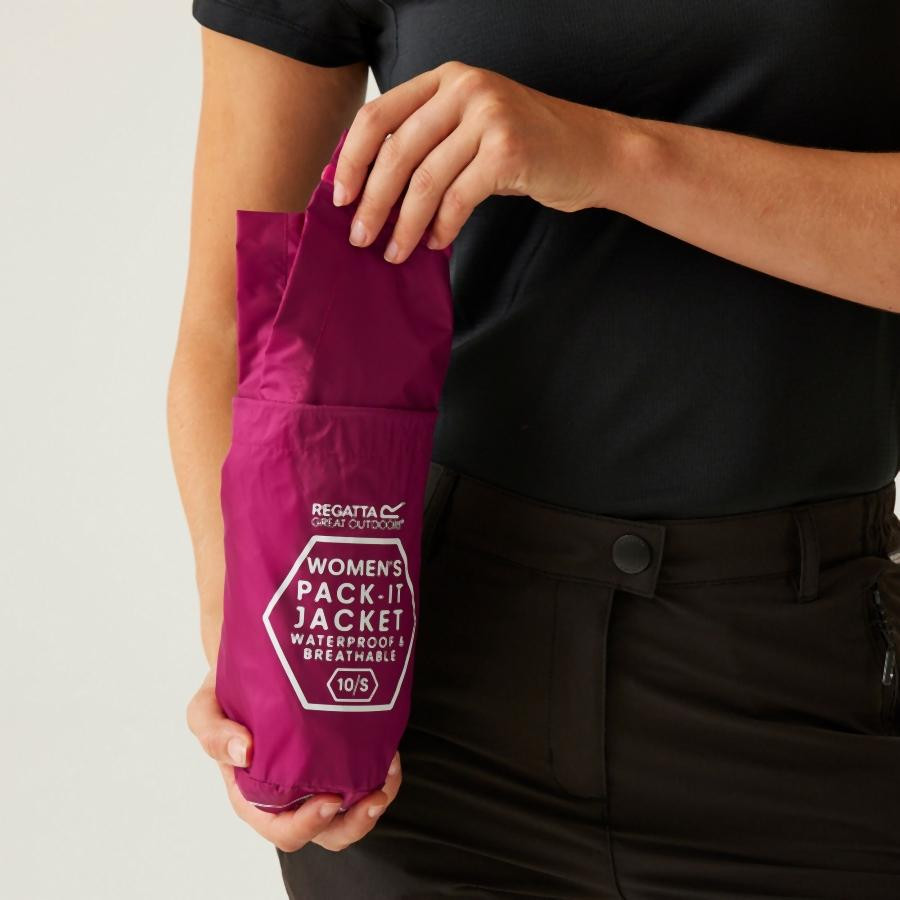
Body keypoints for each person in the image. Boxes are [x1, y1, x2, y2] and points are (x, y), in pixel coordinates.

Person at [168, 2, 900, 897]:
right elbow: (230, 324)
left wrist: (608, 155)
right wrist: (253, 648)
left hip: (807, 693)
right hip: (429, 690)